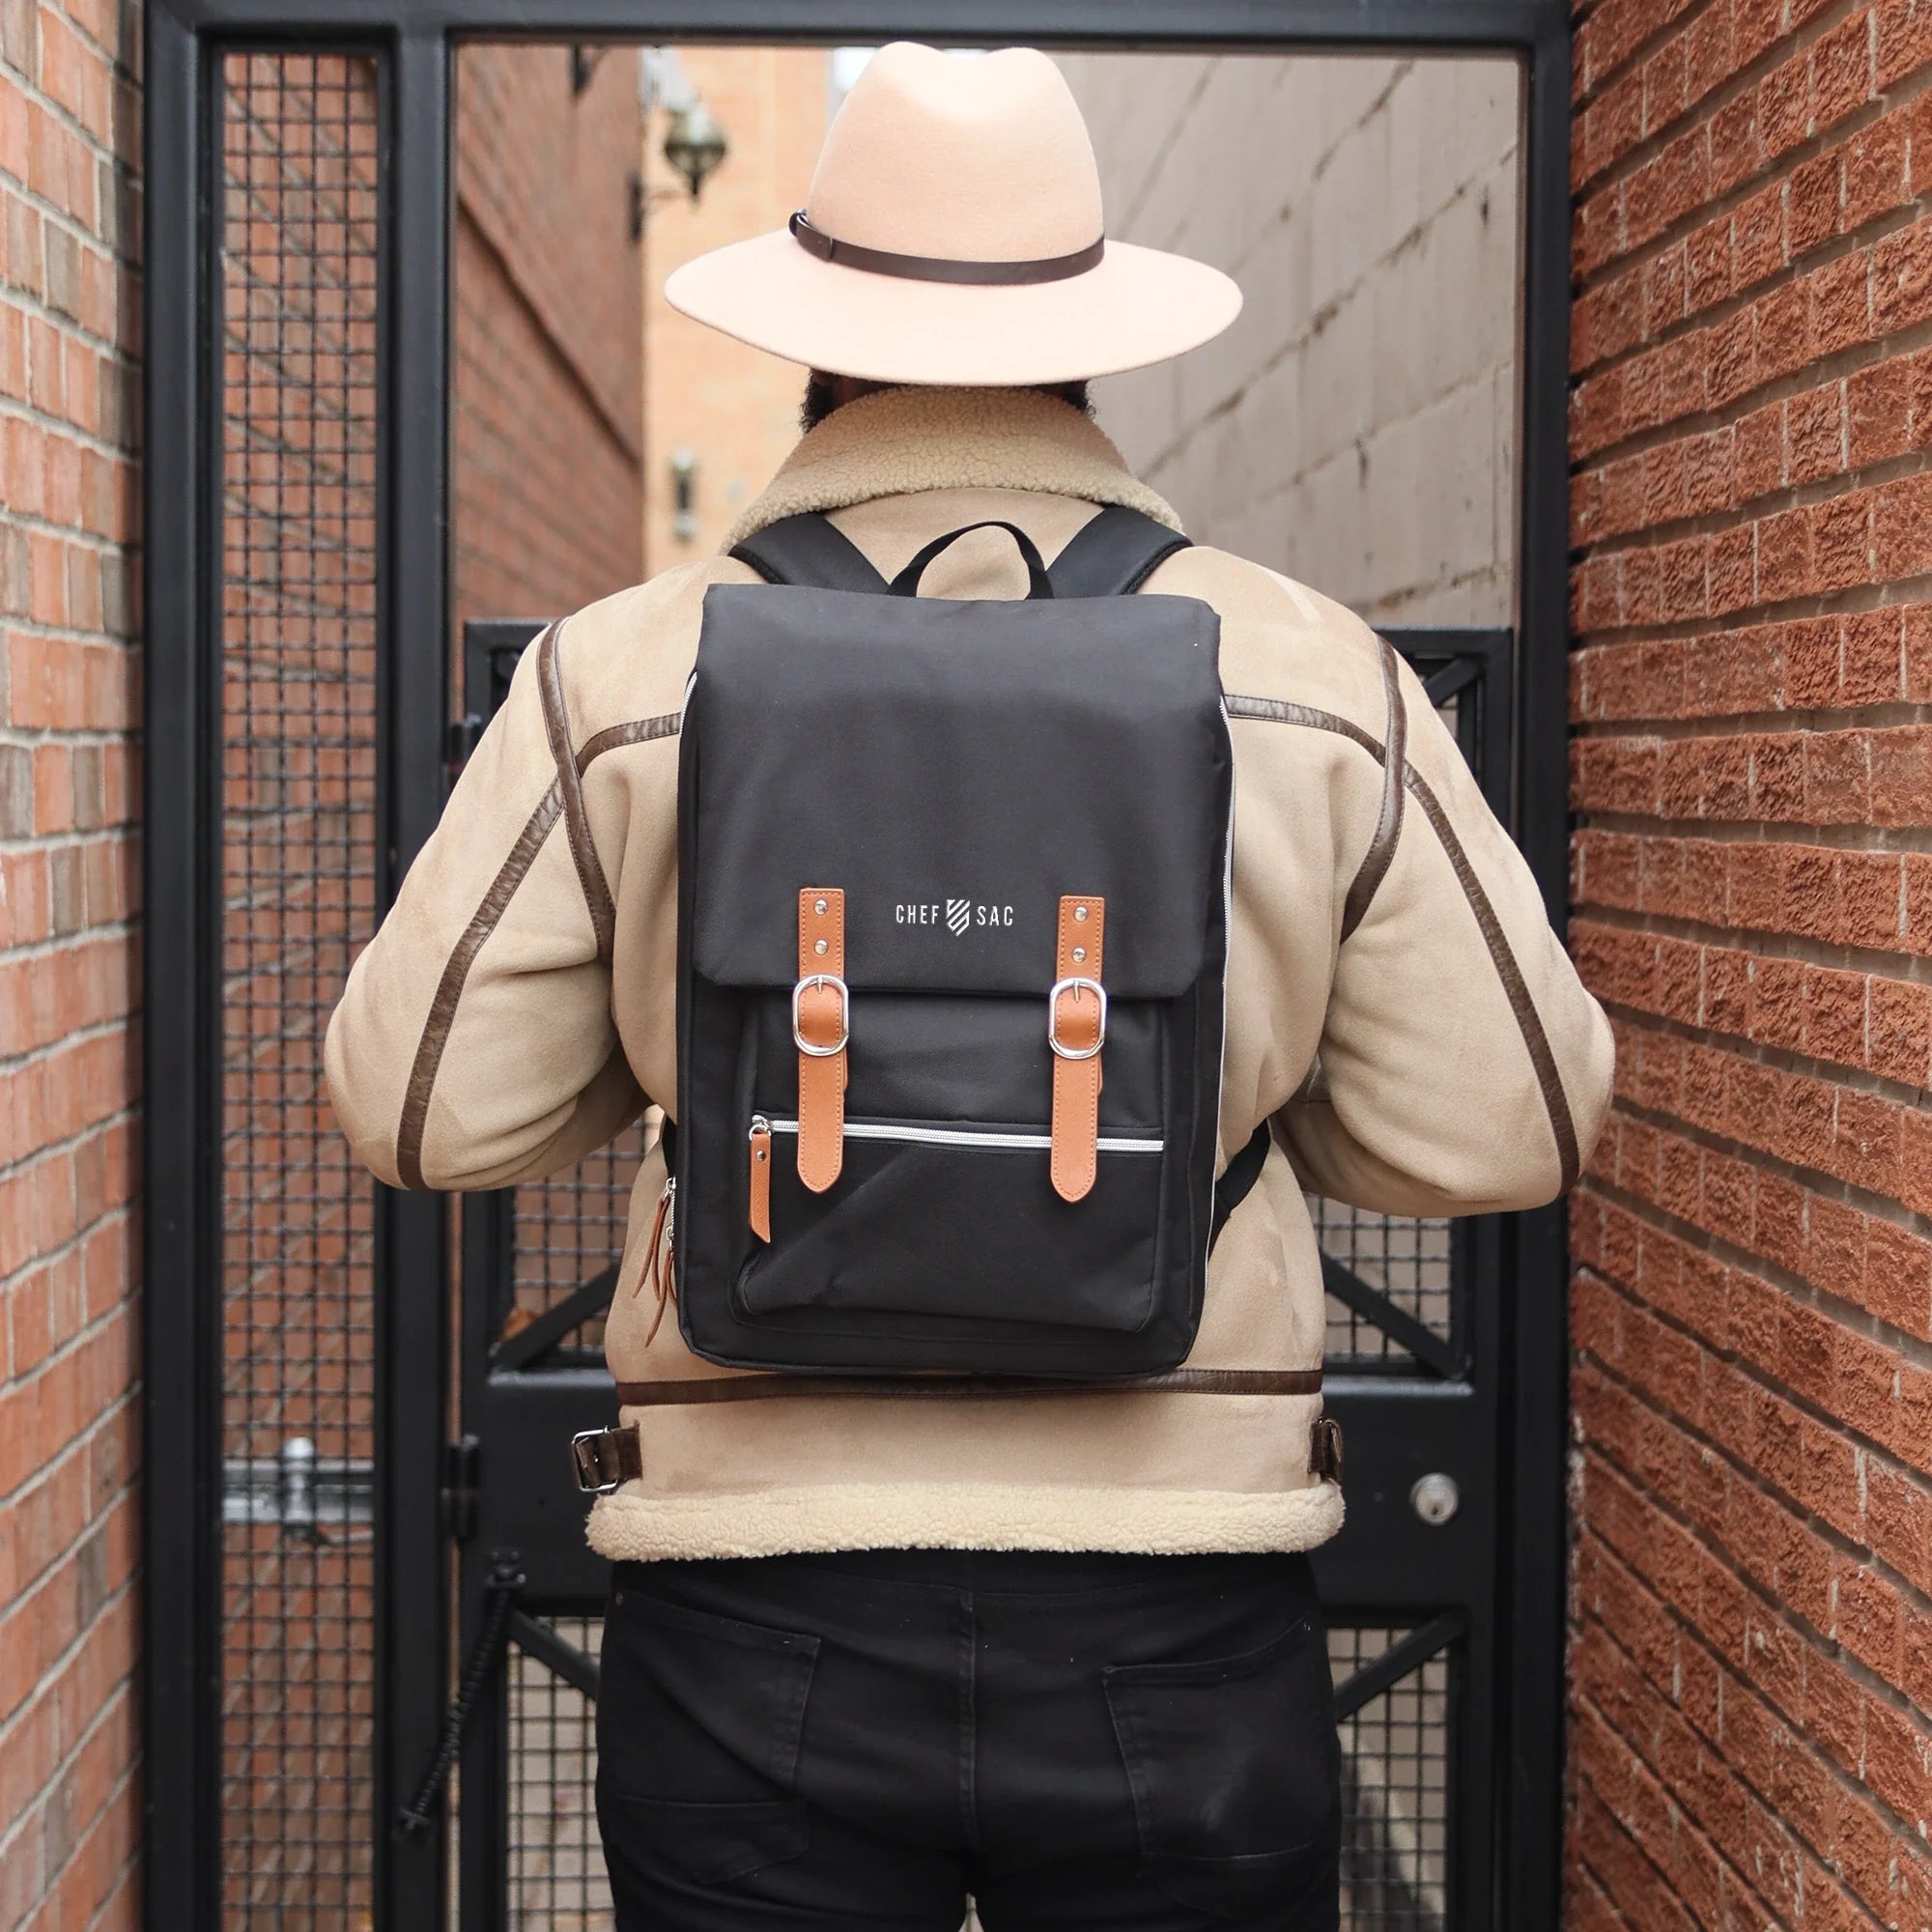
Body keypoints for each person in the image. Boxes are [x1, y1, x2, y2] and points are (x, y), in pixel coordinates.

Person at [325, 41, 1613, 1932]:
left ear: (813, 341)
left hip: (751, 1629)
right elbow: (1516, 1109)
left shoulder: (623, 673)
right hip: (1181, 1632)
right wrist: (1221, 1090)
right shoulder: (1311, 669)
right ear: (1089, 340)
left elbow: (417, 1103)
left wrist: (701, 1048)